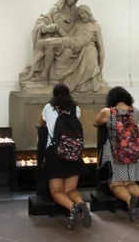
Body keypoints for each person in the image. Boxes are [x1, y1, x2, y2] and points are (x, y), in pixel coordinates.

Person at [39, 83, 92, 230]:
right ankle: (81, 204)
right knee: (71, 189)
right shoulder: (76, 109)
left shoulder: (48, 108)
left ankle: (72, 208)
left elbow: (41, 122)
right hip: (73, 153)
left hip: (54, 153)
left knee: (56, 191)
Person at [95, 86, 139, 222]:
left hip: (115, 153)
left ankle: (130, 200)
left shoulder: (108, 112)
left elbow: (97, 122)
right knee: (130, 182)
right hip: (133, 153)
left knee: (116, 184)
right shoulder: (136, 112)